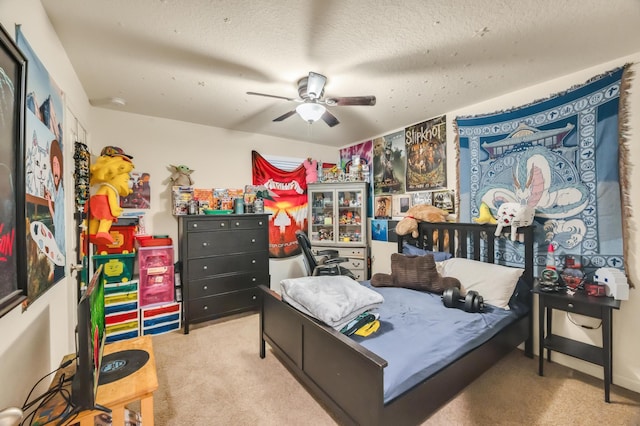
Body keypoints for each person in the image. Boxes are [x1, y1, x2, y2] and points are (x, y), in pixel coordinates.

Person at [44, 139, 65, 282]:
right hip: (59, 243)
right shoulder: (56, 192)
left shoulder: (62, 191)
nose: (55, 169)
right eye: (53, 165)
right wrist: (48, 202)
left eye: (57, 165)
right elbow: (55, 217)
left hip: (63, 244)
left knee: (60, 271)